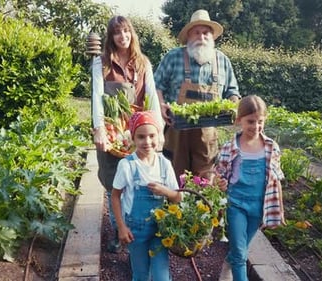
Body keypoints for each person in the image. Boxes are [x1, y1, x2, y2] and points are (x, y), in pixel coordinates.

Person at [91, 15, 164, 253]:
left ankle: (138, 228)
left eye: (126, 31)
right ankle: (117, 230)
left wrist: (158, 131)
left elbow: (151, 98)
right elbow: (97, 99)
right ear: (110, 37)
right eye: (117, 33)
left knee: (138, 180)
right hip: (113, 134)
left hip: (138, 134)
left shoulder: (143, 63)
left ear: (132, 34)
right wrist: (100, 129)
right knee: (114, 184)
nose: (123, 36)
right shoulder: (101, 63)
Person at [154, 9, 240, 180]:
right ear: (189, 36)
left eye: (206, 32)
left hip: (208, 131)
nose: (201, 37)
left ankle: (202, 205)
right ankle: (174, 205)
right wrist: (161, 105)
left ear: (212, 36)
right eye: (197, 32)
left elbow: (232, 91)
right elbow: (157, 85)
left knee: (206, 176)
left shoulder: (222, 61)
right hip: (177, 129)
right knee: (175, 175)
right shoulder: (174, 57)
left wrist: (233, 105)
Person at [214, 95, 285, 281]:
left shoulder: (271, 147)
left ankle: (227, 267)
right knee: (239, 251)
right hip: (235, 204)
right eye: (250, 121)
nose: (256, 126)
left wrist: (280, 211)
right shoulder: (230, 147)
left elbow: (276, 179)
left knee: (242, 248)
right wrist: (219, 181)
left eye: (260, 121)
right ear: (239, 120)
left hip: (258, 206)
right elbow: (218, 173)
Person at [111, 111, 181, 281]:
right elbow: (115, 196)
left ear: (159, 136)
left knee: (161, 277)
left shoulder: (164, 164)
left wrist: (164, 191)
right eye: (141, 137)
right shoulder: (127, 165)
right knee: (141, 274)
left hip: (161, 229)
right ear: (133, 139)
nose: (147, 141)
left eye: (152, 135)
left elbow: (178, 197)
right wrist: (121, 227)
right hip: (136, 230)